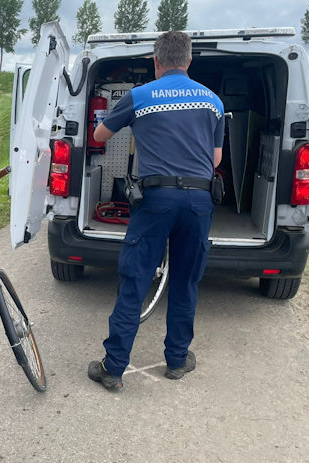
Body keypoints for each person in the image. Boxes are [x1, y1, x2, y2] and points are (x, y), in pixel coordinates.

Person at [87, 31, 224, 392]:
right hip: (199, 201)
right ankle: (177, 361)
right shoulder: (212, 102)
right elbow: (216, 160)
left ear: (156, 61)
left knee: (135, 281)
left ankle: (113, 368)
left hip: (156, 199)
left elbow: (99, 136)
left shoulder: (140, 96)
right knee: (185, 280)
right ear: (189, 61)